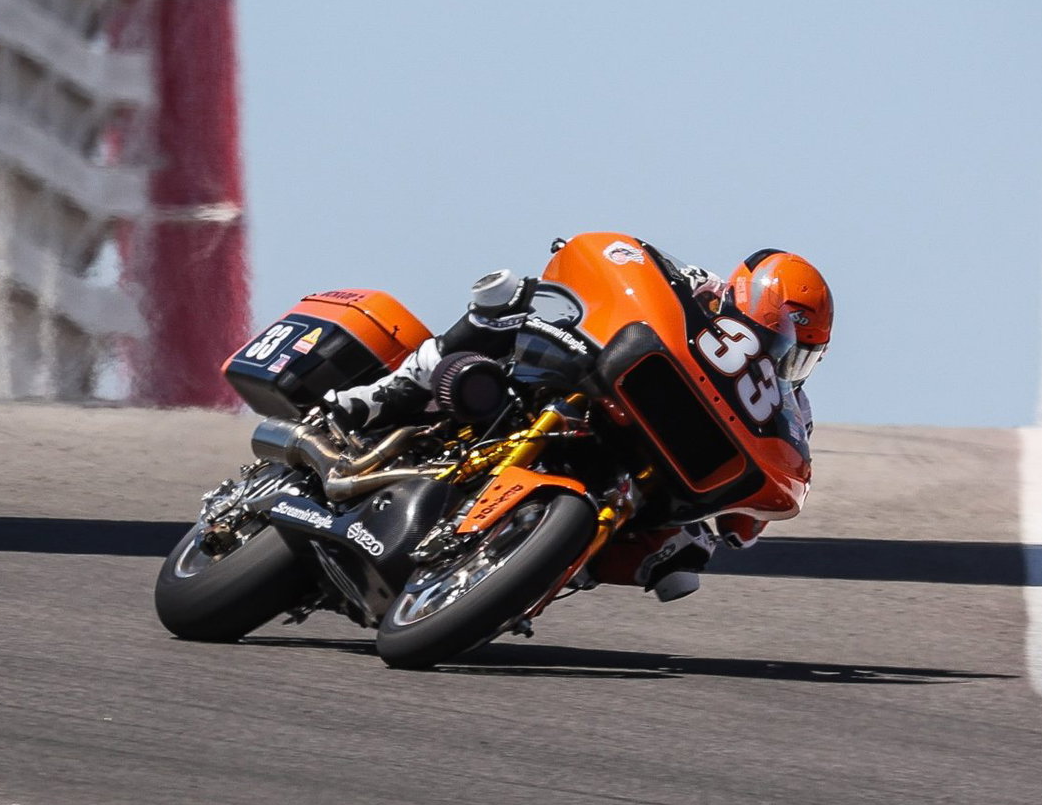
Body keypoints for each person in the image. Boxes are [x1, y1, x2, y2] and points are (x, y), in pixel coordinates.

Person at [325, 245, 833, 602]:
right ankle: (373, 400)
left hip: (647, 461)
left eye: (799, 356)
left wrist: (746, 514)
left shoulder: (794, 412)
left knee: (684, 562)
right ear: (742, 299)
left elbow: (745, 529)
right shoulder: (699, 287)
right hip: (594, 384)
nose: (777, 358)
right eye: (776, 337)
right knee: (510, 307)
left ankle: (531, 570)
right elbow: (615, 266)